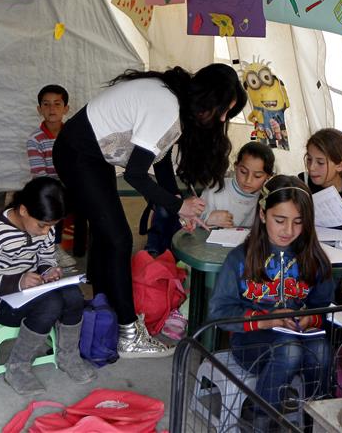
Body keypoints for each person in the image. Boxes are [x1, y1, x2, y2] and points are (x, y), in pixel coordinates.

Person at [53, 63, 247, 357]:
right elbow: (135, 174)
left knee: (109, 237)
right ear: (208, 96)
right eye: (222, 110)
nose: (221, 119)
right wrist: (179, 205)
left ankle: (105, 313)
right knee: (119, 239)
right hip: (78, 154)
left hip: (93, 155)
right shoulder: (166, 105)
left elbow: (161, 158)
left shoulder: (174, 101)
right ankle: (128, 333)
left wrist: (178, 204)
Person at [209, 175, 334, 427]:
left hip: (299, 337)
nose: (288, 230)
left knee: (322, 351)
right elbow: (219, 313)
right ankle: (260, 421)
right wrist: (268, 320)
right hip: (250, 342)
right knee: (289, 349)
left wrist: (309, 318)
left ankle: (315, 423)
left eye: (298, 222)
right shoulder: (240, 259)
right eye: (280, 220)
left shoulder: (315, 259)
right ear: (263, 214)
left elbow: (325, 308)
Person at [0, 177, 96, 396]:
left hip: (31, 291)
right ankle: (17, 366)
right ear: (23, 210)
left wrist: (48, 271)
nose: (46, 232)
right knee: (51, 304)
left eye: (51, 226)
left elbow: (45, 257)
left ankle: (68, 356)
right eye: (42, 225)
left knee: (73, 294)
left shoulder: (45, 227)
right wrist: (18, 281)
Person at [26, 84, 83, 268]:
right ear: (39, 109)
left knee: (92, 198)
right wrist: (63, 188)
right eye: (46, 104)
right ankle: (54, 246)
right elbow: (40, 175)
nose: (52, 109)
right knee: (53, 201)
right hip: (50, 187)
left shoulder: (74, 135)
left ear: (66, 108)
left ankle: (85, 242)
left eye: (57, 104)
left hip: (72, 185)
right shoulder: (35, 139)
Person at [201, 141, 275, 228]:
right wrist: (208, 218)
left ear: (268, 176)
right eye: (243, 172)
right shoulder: (215, 189)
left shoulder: (267, 199)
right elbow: (191, 220)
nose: (248, 180)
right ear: (236, 166)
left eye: (257, 176)